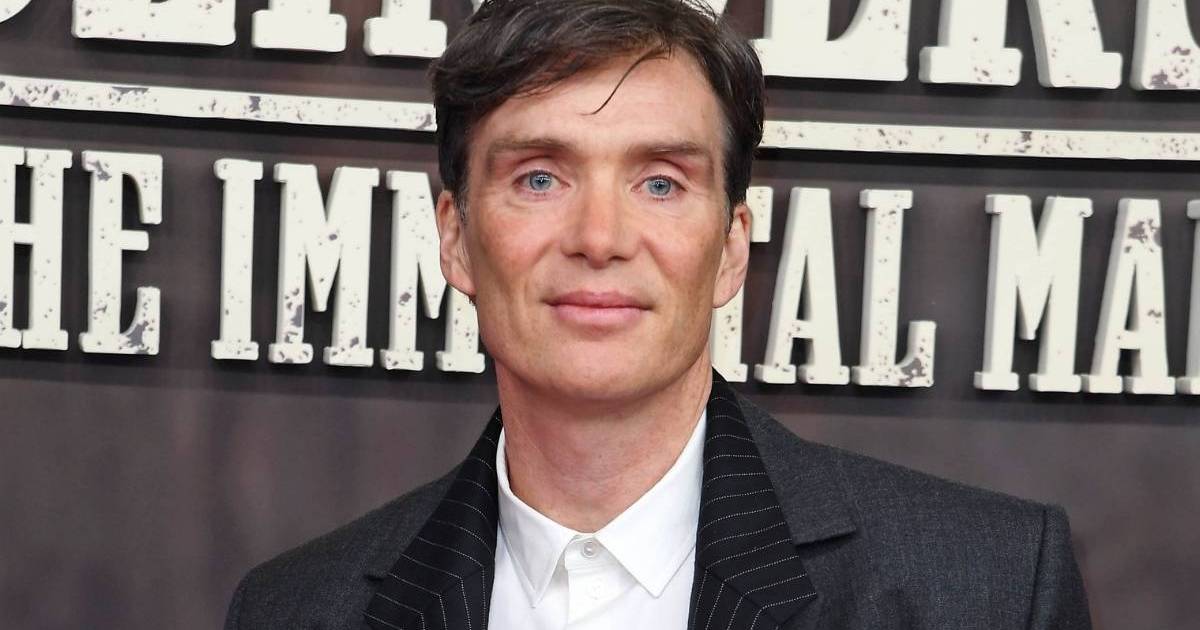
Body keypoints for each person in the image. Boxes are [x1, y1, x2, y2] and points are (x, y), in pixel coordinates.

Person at [223, 0, 1091, 628]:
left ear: (731, 248)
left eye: (661, 183)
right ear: (455, 238)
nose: (600, 238)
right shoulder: (296, 610)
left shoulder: (989, 589)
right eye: (539, 178)